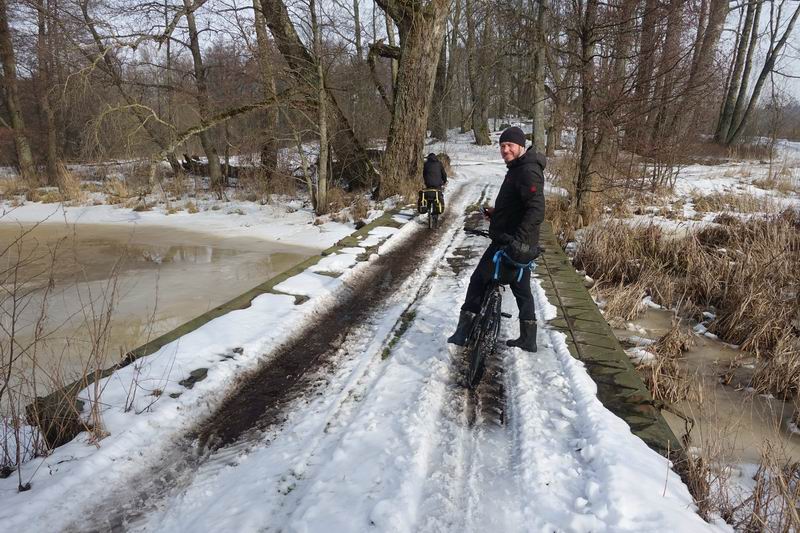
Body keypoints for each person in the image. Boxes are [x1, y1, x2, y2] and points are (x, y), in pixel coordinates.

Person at [447, 126, 545, 352]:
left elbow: (537, 210)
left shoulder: (527, 170)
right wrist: (496, 213)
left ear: (521, 145)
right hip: (522, 244)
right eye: (502, 146)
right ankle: (528, 339)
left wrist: (517, 239)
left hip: (510, 243)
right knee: (522, 291)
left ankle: (463, 333)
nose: (505, 150)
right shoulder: (519, 167)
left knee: (478, 281)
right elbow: (519, 206)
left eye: (509, 145)